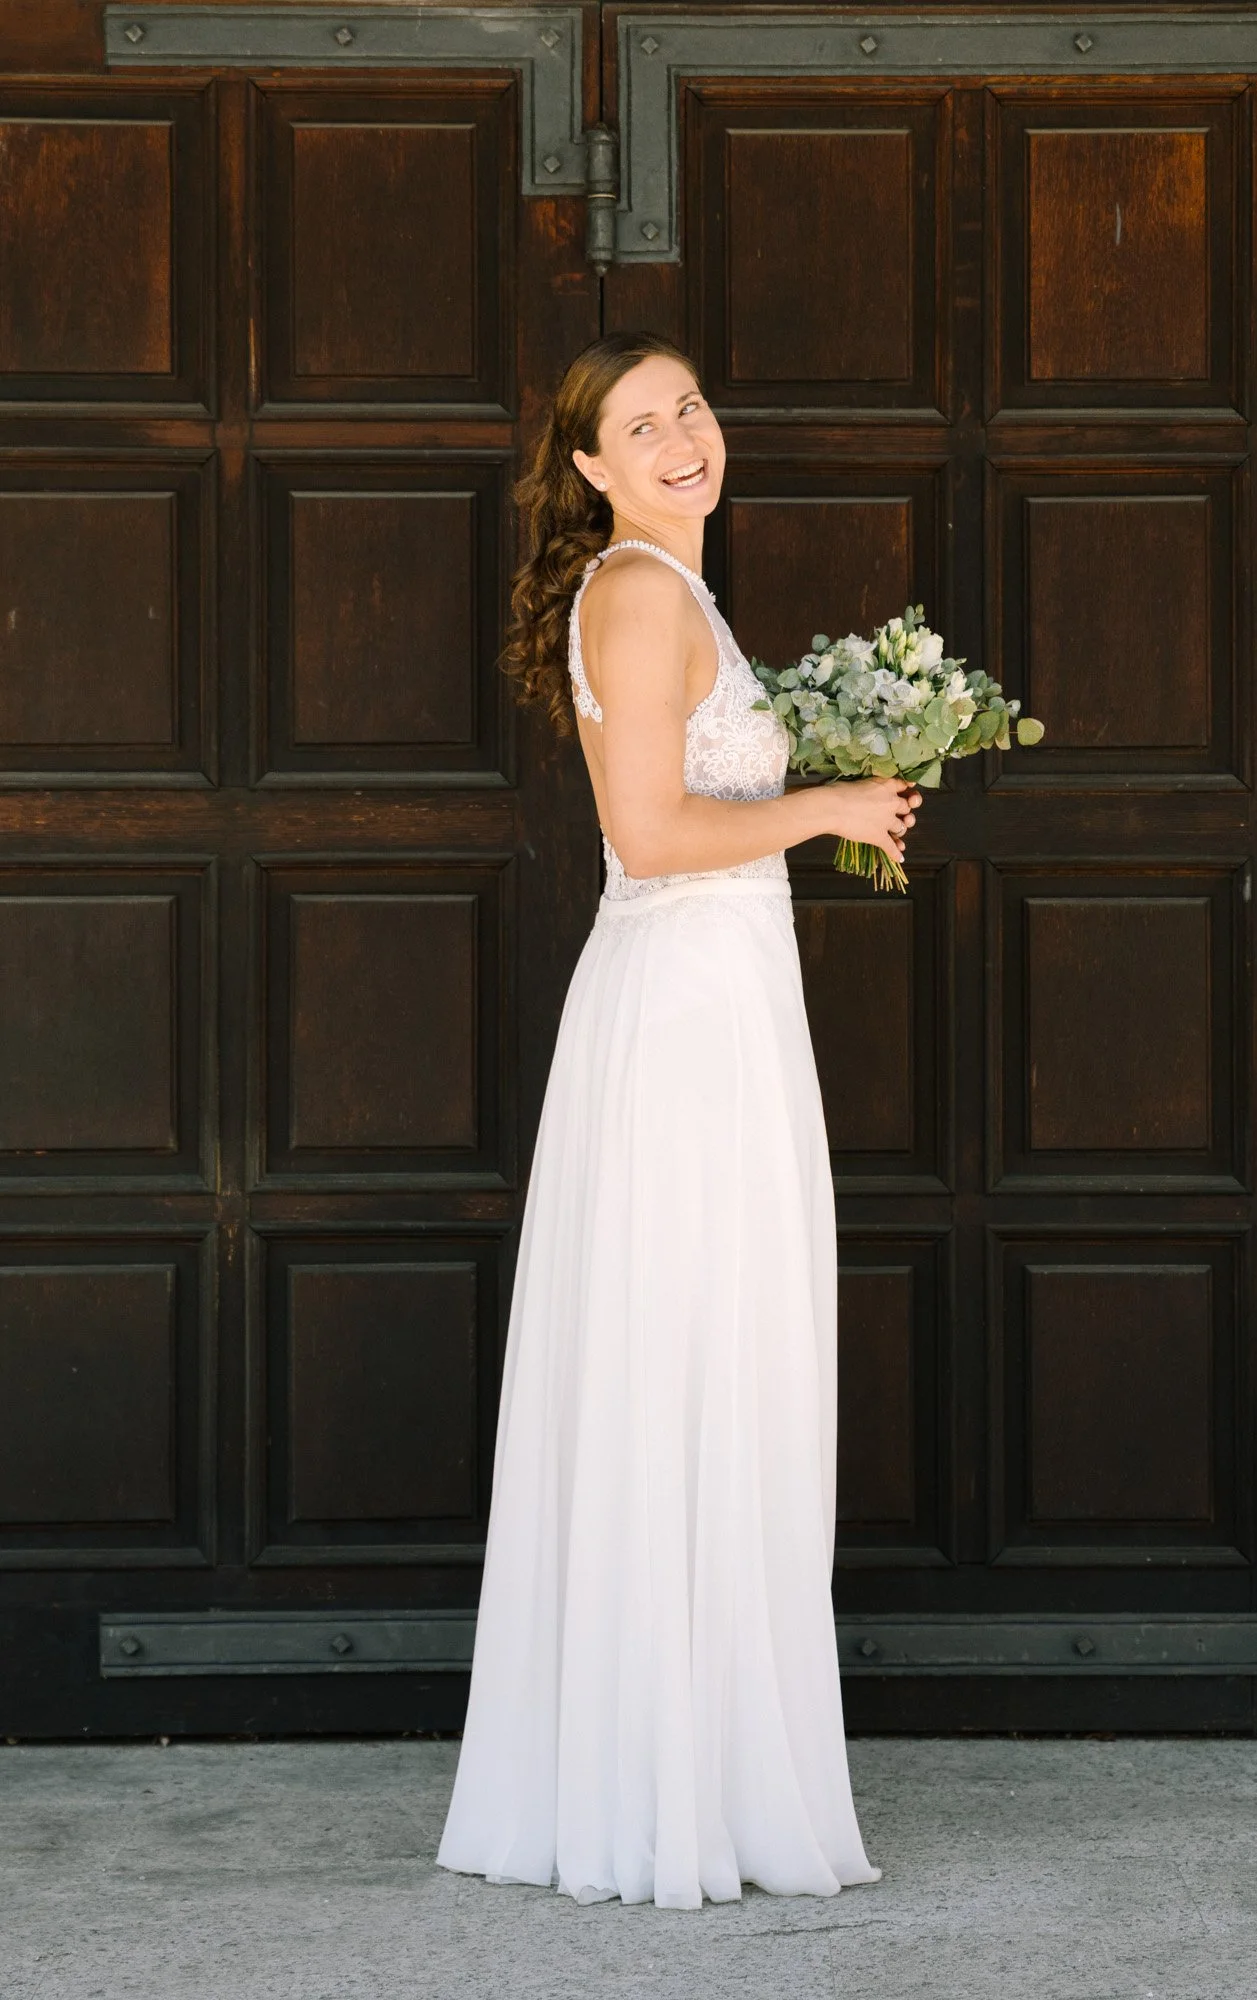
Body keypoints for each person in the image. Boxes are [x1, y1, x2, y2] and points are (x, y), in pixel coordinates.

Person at [437, 332, 920, 1908]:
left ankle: (685, 1767)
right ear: (587, 467)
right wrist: (834, 806)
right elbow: (649, 832)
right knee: (697, 1364)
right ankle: (676, 1792)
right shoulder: (640, 595)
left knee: (708, 1364)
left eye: (692, 406)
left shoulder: (673, 589)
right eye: (641, 425)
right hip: (687, 1023)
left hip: (716, 1005)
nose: (680, 437)